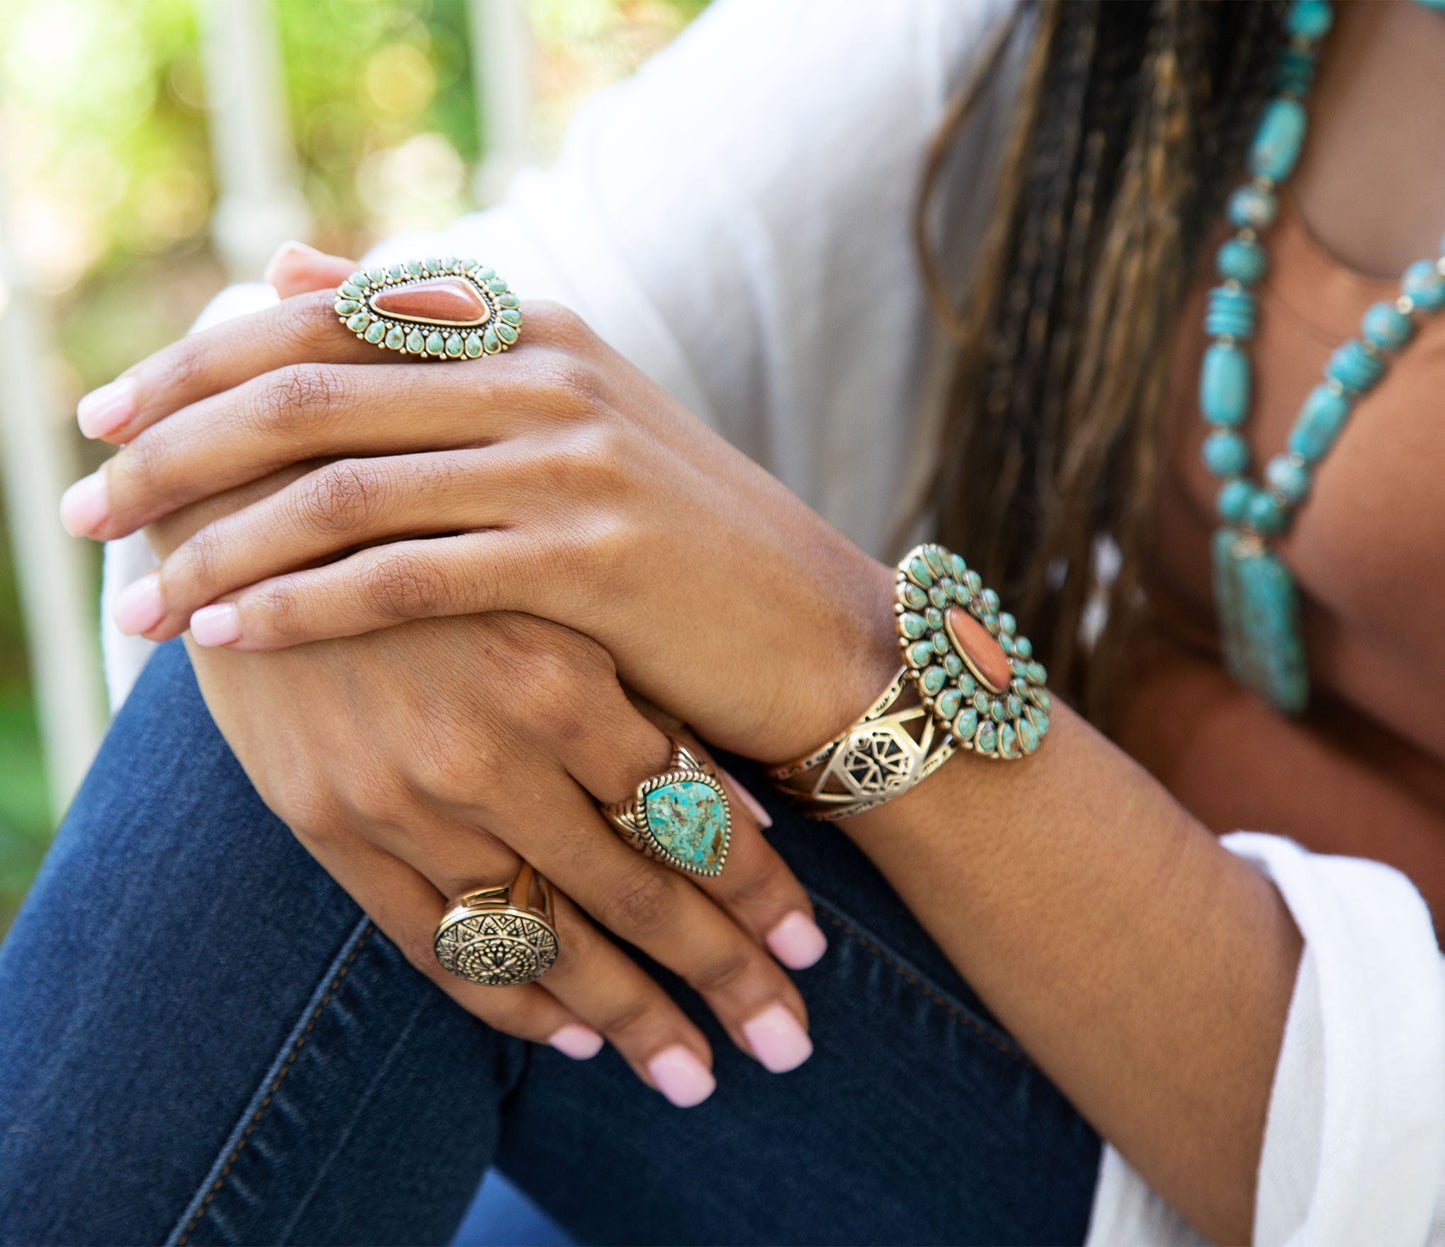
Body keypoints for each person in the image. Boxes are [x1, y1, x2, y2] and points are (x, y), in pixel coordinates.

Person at [4, 0, 1444, 1242]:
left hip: (1289, 1158)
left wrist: (846, 656)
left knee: (350, 713)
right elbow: (536, 277)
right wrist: (288, 471)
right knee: (382, 648)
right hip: (922, 1033)